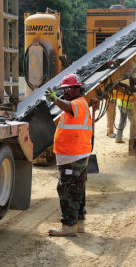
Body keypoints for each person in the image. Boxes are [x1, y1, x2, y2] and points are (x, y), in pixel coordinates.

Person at [44, 73, 92, 236]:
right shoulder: (78, 103)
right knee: (78, 189)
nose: (65, 92)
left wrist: (55, 100)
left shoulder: (78, 103)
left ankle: (68, 226)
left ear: (78, 89)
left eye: (68, 89)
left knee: (66, 189)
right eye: (63, 89)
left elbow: (68, 107)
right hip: (75, 155)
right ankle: (79, 224)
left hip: (72, 156)